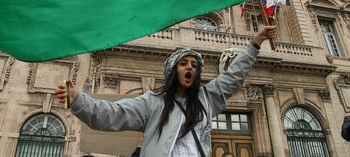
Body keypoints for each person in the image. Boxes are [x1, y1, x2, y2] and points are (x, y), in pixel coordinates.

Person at [56, 26, 276, 157]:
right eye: (184, 63)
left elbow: (234, 75)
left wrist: (255, 43)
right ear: (173, 71)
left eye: (194, 65)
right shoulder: (153, 102)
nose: (190, 67)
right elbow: (112, 114)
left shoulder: (207, 98)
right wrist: (79, 101)